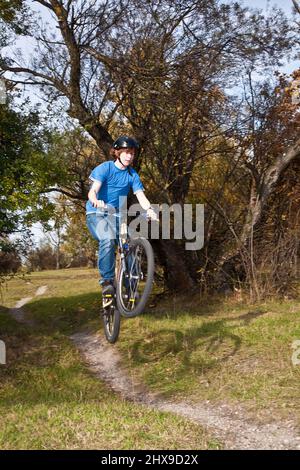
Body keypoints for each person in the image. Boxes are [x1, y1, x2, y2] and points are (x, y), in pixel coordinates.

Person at [86, 136, 157, 306]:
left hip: (117, 217)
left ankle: (130, 287)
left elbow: (141, 196)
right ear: (117, 153)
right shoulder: (106, 168)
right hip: (96, 213)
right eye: (126, 152)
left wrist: (150, 210)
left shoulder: (132, 175)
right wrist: (96, 200)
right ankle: (107, 283)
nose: (129, 156)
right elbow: (92, 191)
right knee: (108, 238)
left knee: (131, 244)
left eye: (132, 153)